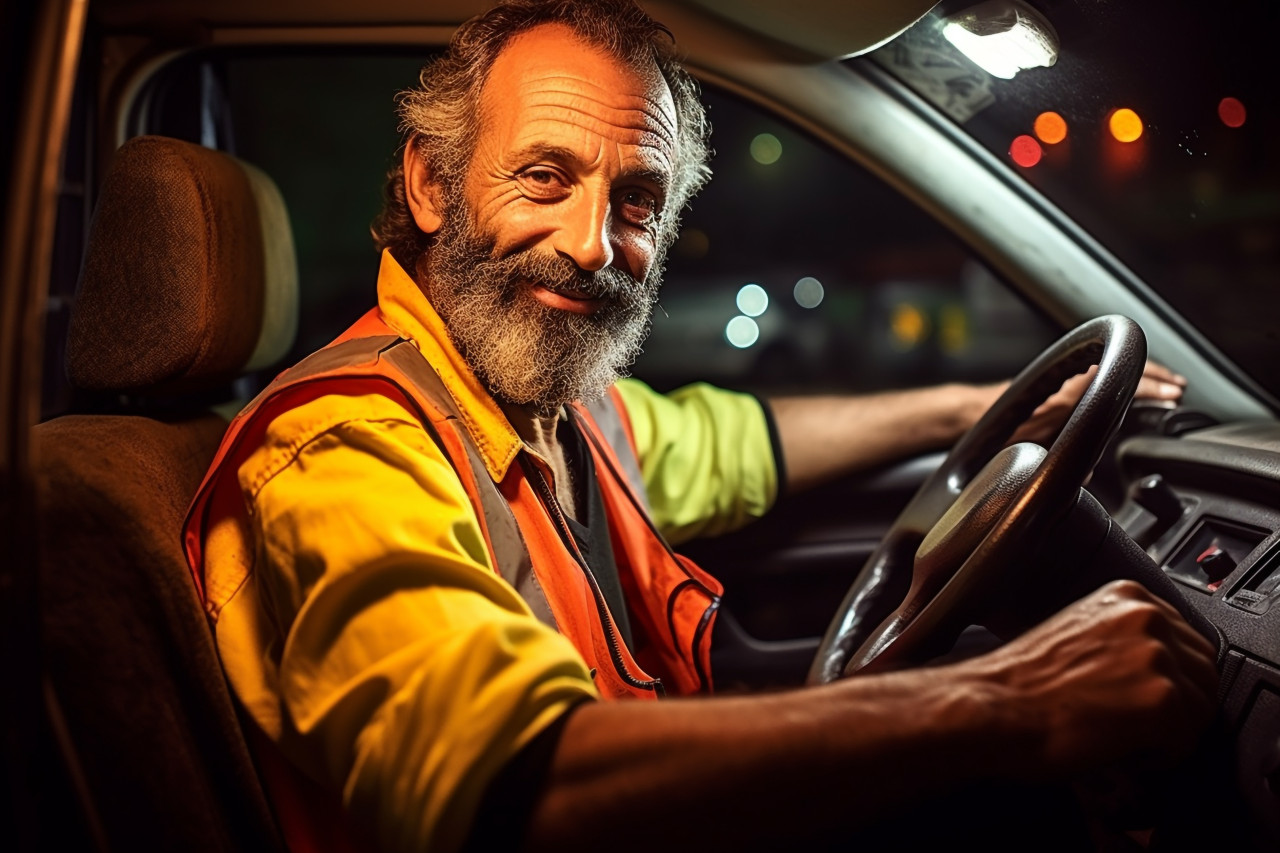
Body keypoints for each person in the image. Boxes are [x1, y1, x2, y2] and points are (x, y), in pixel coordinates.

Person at [184, 1, 1216, 851]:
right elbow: (517, 785)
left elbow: (742, 443)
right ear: (430, 183)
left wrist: (972, 411)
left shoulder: (551, 409)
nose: (593, 244)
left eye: (636, 200)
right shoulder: (343, 450)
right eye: (544, 177)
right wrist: (1012, 701)